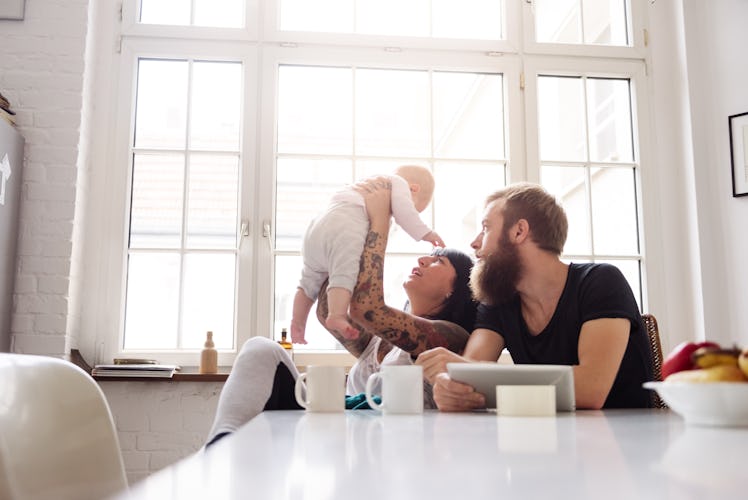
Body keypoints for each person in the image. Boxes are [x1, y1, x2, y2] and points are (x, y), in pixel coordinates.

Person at [205, 177, 477, 446]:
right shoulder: (379, 342)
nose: (423, 258)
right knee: (260, 348)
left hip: (392, 451)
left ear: (454, 290)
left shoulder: (451, 337)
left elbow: (367, 309)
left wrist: (380, 221)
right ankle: (220, 445)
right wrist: (344, 231)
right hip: (343, 438)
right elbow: (327, 314)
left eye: (438, 261)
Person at [416, 182, 654, 410]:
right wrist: (451, 389)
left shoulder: (601, 281)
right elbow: (468, 374)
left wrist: (473, 375)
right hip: (546, 436)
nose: (475, 242)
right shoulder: (499, 301)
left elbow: (590, 389)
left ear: (519, 231)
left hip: (626, 439)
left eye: (486, 227)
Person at [291, 165, 445, 345]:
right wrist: (426, 234)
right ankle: (337, 314)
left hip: (316, 229)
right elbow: (406, 215)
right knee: (345, 271)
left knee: (308, 281)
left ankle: (298, 322)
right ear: (414, 189)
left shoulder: (367, 182)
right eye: (416, 208)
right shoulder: (398, 184)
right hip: (343, 227)